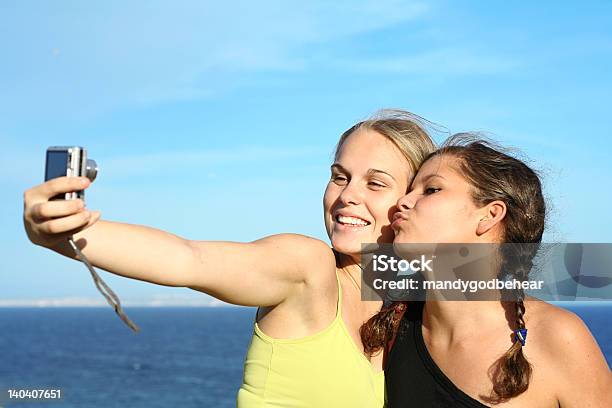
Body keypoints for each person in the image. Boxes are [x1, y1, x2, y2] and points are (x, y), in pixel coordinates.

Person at [23, 110, 437, 407]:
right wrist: (64, 232)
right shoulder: (307, 267)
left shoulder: (402, 285)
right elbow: (190, 259)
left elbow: (499, 272)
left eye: (376, 183)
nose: (347, 195)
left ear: (411, 200)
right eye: (339, 177)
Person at [361, 135, 612, 407]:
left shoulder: (559, 338)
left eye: (431, 190)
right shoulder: (387, 324)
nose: (402, 202)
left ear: (489, 215)